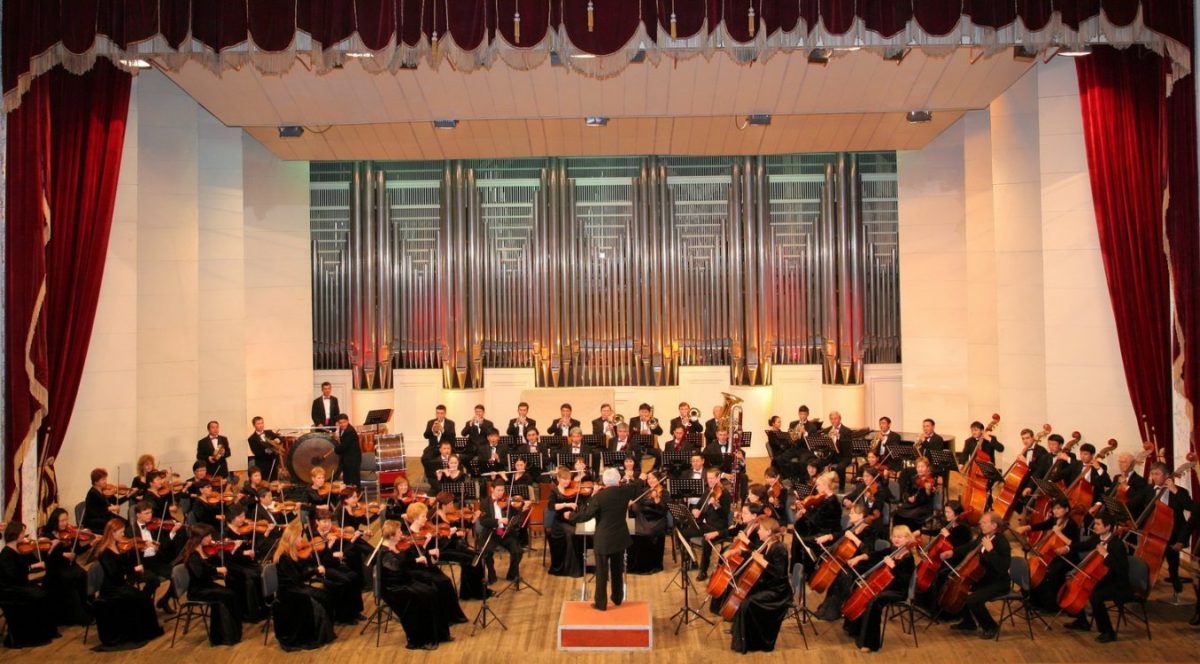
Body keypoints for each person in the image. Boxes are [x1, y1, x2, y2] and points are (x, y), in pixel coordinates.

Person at [570, 468, 646, 610]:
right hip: (619, 537)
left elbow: (586, 515)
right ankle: (617, 598)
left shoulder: (599, 497)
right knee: (617, 570)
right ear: (618, 480)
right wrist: (641, 478)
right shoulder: (625, 492)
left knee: (601, 572)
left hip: (603, 539)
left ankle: (601, 603)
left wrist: (571, 516)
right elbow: (635, 485)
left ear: (604, 481)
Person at [377, 518, 452, 651]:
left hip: (405, 581)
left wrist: (418, 554)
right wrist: (416, 560)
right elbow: (396, 567)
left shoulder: (395, 545)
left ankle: (439, 634)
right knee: (424, 597)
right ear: (392, 536)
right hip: (394, 588)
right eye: (399, 532)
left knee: (432, 590)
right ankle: (421, 639)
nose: (402, 534)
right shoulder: (384, 552)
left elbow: (404, 564)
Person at [91, 518, 165, 650]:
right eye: (121, 532)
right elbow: (115, 574)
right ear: (112, 533)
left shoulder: (118, 546)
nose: (123, 534)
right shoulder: (105, 553)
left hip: (121, 585)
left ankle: (147, 630)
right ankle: (141, 632)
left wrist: (138, 551)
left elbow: (125, 564)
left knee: (144, 599)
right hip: (112, 589)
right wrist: (133, 570)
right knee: (141, 599)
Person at [842, 525, 917, 652]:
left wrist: (893, 566)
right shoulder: (892, 550)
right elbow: (875, 555)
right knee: (863, 591)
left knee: (875, 601)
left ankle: (870, 644)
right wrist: (859, 557)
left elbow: (904, 581)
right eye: (894, 536)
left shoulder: (908, 558)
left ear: (907, 539)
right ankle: (855, 630)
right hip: (886, 586)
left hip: (898, 591)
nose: (896, 539)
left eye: (900, 537)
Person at [1062, 512, 1131, 643]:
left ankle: (1108, 632)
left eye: (1098, 524)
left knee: (1095, 596)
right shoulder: (1097, 538)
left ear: (1108, 527)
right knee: (1077, 586)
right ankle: (1082, 621)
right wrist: (1067, 548)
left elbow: (1121, 569)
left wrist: (1105, 554)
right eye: (1095, 523)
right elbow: (1083, 545)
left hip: (1118, 583)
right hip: (1103, 579)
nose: (1094, 526)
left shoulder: (1117, 545)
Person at [941, 511, 1011, 639]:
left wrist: (991, 551)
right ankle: (969, 623)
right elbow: (971, 546)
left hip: (999, 582)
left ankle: (991, 627)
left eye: (984, 522)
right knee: (962, 590)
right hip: (984, 578)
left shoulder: (1002, 542)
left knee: (973, 600)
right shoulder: (983, 536)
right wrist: (953, 552)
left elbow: (1002, 567)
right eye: (981, 522)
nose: (980, 524)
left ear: (994, 525)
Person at [271, 520, 336, 651]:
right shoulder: (283, 557)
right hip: (288, 592)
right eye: (299, 537)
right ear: (292, 539)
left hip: (295, 587)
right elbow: (297, 578)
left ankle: (324, 632)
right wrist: (314, 571)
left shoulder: (292, 552)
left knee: (324, 594)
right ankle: (315, 635)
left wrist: (311, 564)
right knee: (315, 598)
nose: (301, 540)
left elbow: (299, 573)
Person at [729, 517, 790, 653]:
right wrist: (738, 552)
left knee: (747, 603)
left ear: (768, 532)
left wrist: (761, 561)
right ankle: (742, 634)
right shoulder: (768, 543)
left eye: (760, 529)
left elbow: (779, 574)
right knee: (744, 596)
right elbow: (755, 552)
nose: (758, 532)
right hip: (768, 585)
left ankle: (753, 641)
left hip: (778, 592)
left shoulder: (780, 549)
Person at [178, 524, 243, 645]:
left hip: (207, 585)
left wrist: (232, 549)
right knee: (229, 595)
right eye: (208, 536)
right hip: (198, 590)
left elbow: (216, 563)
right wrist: (217, 570)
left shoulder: (204, 550)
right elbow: (200, 574)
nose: (211, 538)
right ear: (200, 538)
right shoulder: (193, 555)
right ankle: (224, 636)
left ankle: (231, 633)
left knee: (232, 593)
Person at [0, 521, 61, 648]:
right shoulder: (6, 553)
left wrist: (46, 551)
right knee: (38, 596)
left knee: (48, 592)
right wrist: (31, 567)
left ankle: (47, 631)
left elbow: (34, 563)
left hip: (21, 585)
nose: (24, 535)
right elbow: (12, 575)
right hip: (10, 590)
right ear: (15, 534)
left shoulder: (21, 549)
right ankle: (33, 636)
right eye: (22, 533)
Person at [1014, 499, 1079, 612]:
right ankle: (1033, 600)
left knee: (1050, 572)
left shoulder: (1072, 525)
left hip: (1068, 557)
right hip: (1053, 555)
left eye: (1058, 508)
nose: (1055, 511)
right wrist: (1027, 527)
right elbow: (1043, 525)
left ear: (1066, 509)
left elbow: (1075, 545)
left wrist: (1059, 533)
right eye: (1054, 508)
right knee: (1032, 569)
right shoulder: (1055, 520)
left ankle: (1050, 605)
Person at [128, 499, 185, 614]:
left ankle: (164, 600)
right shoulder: (130, 530)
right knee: (153, 581)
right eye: (146, 513)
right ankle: (143, 603)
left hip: (155, 561)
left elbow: (164, 544)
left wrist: (173, 531)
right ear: (138, 515)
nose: (150, 515)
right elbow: (129, 553)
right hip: (141, 563)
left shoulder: (154, 526)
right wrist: (143, 547)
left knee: (177, 575)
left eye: (151, 512)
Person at [1146, 462, 1193, 599]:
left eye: (1157, 474)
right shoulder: (1149, 489)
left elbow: (1190, 506)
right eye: (1152, 474)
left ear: (1167, 475)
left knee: (1173, 562)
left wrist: (1174, 490)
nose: (1154, 477)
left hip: (1173, 532)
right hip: (1154, 531)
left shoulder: (1180, 491)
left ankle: (1176, 581)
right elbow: (1136, 503)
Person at [41, 508, 92, 625]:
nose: (65, 523)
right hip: (56, 569)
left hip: (70, 566)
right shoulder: (47, 536)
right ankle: (77, 615)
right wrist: (63, 555)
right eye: (62, 521)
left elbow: (77, 550)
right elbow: (47, 558)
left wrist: (91, 544)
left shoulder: (69, 533)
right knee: (70, 580)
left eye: (66, 520)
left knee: (83, 575)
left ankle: (86, 607)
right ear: (55, 521)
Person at [476, 483, 529, 584]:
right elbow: (483, 521)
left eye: (502, 490)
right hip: (492, 532)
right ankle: (492, 574)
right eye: (498, 490)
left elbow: (516, 515)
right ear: (492, 489)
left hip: (506, 532)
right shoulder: (485, 503)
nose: (501, 493)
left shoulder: (507, 501)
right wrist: (498, 521)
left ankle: (512, 575)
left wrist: (521, 508)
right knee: (486, 552)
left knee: (518, 551)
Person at [687, 468, 732, 581]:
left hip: (718, 527)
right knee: (685, 532)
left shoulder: (725, 493)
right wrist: (695, 510)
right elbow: (698, 505)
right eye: (708, 478)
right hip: (706, 525)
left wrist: (716, 505)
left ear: (718, 478)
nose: (710, 480)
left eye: (712, 478)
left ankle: (703, 571)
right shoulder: (708, 491)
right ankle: (692, 561)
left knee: (706, 540)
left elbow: (725, 513)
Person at [628, 472, 669, 575]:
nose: (651, 480)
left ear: (658, 479)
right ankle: (633, 566)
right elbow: (638, 506)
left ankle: (648, 567)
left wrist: (656, 500)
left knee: (647, 534)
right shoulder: (644, 490)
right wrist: (632, 505)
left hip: (656, 520)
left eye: (653, 478)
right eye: (649, 478)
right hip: (642, 519)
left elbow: (663, 511)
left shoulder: (664, 492)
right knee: (630, 531)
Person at [892, 457, 938, 530]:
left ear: (927, 468)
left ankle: (911, 535)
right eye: (918, 467)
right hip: (912, 504)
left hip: (923, 506)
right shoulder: (914, 478)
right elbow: (906, 491)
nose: (920, 469)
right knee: (897, 514)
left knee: (912, 517)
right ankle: (899, 534)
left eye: (922, 466)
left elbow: (928, 499)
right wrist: (908, 498)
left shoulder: (931, 480)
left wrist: (928, 491)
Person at [82, 467, 124, 532]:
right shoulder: (92, 494)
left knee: (124, 523)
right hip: (94, 521)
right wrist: (110, 508)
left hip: (105, 517)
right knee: (118, 525)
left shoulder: (104, 491)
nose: (105, 481)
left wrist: (128, 496)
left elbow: (116, 502)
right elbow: (95, 512)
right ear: (96, 482)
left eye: (105, 479)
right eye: (103, 479)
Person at [247, 416, 283, 481]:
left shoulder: (269, 432)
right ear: (254, 425)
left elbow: (280, 438)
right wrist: (269, 450)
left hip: (274, 462)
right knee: (265, 483)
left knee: (274, 482)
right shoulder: (252, 439)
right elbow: (257, 453)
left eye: (262, 423)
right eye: (258, 424)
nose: (261, 425)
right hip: (263, 465)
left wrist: (277, 440)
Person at [332, 413, 362, 487]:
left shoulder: (349, 431)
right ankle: (348, 493)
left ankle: (356, 493)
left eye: (344, 422)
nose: (342, 424)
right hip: (347, 458)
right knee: (347, 480)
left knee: (354, 480)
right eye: (340, 423)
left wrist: (335, 449)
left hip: (353, 459)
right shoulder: (342, 429)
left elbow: (343, 446)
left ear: (348, 421)